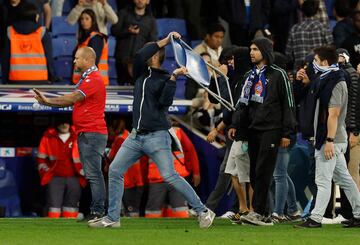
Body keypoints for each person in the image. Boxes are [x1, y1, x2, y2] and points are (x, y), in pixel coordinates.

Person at [88, 32, 215, 228]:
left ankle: (203, 211)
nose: (144, 54)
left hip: (157, 136)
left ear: (155, 57)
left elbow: (165, 102)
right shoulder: (141, 72)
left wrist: (173, 78)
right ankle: (113, 218)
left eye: (152, 51)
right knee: (115, 170)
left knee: (170, 176)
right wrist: (166, 40)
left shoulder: (165, 78)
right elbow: (139, 55)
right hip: (136, 136)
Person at [33, 46, 108, 223]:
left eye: (77, 58)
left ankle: (98, 212)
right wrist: (47, 103)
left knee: (94, 174)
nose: (74, 61)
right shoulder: (86, 79)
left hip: (93, 133)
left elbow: (72, 99)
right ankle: (94, 210)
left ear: (88, 60)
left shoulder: (94, 79)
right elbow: (71, 101)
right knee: (92, 174)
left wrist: (47, 100)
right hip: (86, 132)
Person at [229, 37, 297, 226]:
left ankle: (259, 212)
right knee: (254, 172)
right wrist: (236, 124)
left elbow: (288, 104)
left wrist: (286, 132)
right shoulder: (249, 76)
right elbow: (242, 104)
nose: (251, 52)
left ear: (265, 51)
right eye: (250, 49)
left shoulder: (279, 74)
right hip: (253, 129)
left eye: (255, 49)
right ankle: (261, 212)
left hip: (272, 129)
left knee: (263, 171)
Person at [295, 46, 360, 228]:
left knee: (322, 180)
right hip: (332, 138)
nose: (313, 64)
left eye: (315, 60)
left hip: (330, 139)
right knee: (345, 179)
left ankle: (315, 218)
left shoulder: (337, 81)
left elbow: (334, 114)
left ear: (324, 62)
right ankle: (359, 213)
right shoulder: (327, 78)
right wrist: (308, 81)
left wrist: (329, 141)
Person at [145, 126, 200, 218]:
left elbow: (190, 150)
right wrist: (195, 172)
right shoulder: (147, 132)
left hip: (168, 178)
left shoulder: (147, 132)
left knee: (177, 212)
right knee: (154, 213)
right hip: (165, 178)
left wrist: (196, 172)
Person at [37, 117, 87, 218]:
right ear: (57, 125)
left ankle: (70, 229)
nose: (64, 125)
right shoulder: (48, 137)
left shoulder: (78, 136)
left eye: (66, 123)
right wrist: (47, 172)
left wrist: (84, 172)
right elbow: (41, 160)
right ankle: (52, 230)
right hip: (55, 177)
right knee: (54, 207)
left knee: (71, 207)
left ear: (70, 124)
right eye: (61, 123)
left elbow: (87, 156)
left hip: (75, 177)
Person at [2, 2, 56, 84]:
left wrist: (5, 81)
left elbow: (5, 59)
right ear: (36, 17)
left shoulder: (9, 32)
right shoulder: (43, 32)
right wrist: (52, 78)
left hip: (15, 80)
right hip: (40, 80)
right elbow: (49, 58)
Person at [111, 0, 157, 84]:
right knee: (120, 89)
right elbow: (114, 31)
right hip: (121, 60)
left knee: (136, 89)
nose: (140, 0)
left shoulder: (151, 20)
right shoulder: (123, 13)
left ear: (148, 1)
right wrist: (127, 31)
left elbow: (153, 42)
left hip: (139, 62)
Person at [286, 0, 333, 68]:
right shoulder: (323, 28)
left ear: (302, 11)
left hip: (300, 72)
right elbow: (331, 49)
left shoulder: (294, 29)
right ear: (317, 11)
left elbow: (288, 55)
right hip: (320, 71)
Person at [72, 9, 109, 86]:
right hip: (83, 82)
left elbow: (93, 62)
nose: (84, 21)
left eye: (87, 18)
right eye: (82, 19)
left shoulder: (96, 38)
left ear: (93, 21)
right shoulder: (83, 40)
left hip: (94, 83)